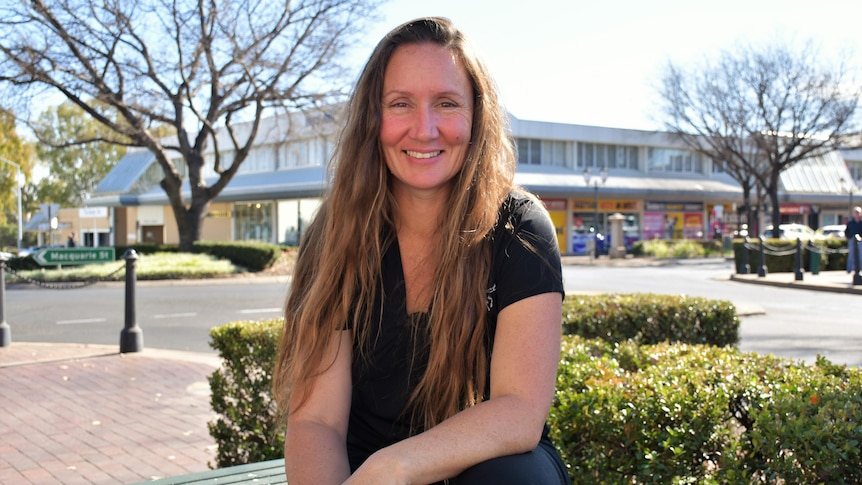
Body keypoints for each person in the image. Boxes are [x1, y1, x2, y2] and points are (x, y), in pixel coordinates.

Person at [272, 17, 568, 485]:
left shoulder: (518, 226)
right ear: (374, 118)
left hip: (484, 464)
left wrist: (396, 466)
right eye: (400, 104)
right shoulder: (336, 233)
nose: (424, 129)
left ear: (477, 115)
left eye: (447, 103)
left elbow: (519, 411)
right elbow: (317, 421)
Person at [846, 206, 862, 273]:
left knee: (860, 255)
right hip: (852, 240)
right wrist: (849, 237)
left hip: (860, 241)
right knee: (851, 255)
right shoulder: (850, 223)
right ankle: (849, 269)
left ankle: (860, 269)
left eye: (858, 212)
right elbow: (846, 231)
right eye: (856, 212)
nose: (857, 214)